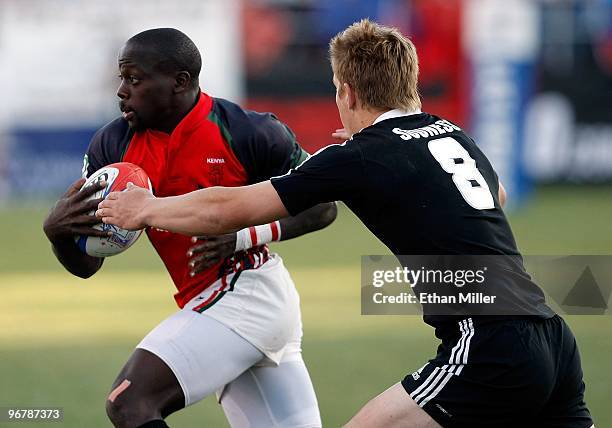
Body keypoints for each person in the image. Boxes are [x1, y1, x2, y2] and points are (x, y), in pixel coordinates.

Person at [97, 20, 596, 428]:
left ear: (349, 93)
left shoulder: (359, 155)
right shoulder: (450, 133)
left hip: (489, 344)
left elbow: (230, 209)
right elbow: (496, 196)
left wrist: (145, 209)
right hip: (552, 334)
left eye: (338, 92)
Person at [43, 28, 336, 428]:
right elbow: (86, 266)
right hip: (219, 302)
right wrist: (59, 233)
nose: (121, 91)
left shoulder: (248, 131)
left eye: (134, 78)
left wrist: (242, 236)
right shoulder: (112, 146)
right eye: (121, 78)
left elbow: (323, 207)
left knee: (130, 403)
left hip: (248, 294)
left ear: (179, 82)